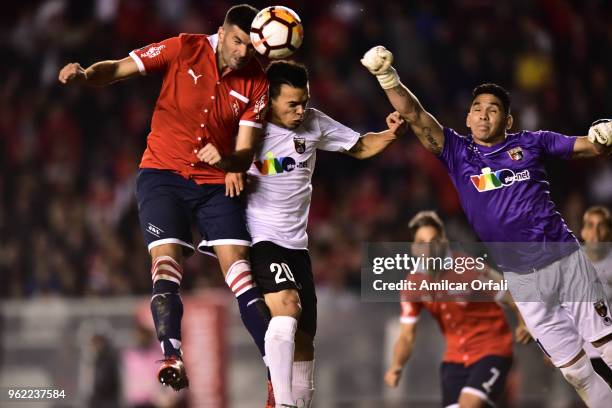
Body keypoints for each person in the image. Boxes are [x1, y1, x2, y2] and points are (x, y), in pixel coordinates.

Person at [361, 45, 612, 407]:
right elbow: (414, 115)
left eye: (493, 109)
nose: (483, 115)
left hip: (563, 257)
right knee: (574, 370)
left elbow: (588, 146)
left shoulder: (532, 143)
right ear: (467, 119)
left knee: (605, 345)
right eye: (477, 109)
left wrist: (603, 138)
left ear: (508, 121)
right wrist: (387, 77)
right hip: (520, 277)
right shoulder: (458, 154)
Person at [58, 4, 271, 391]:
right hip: (163, 174)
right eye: (238, 41)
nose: (243, 52)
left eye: (251, 46)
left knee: (240, 271)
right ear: (222, 33)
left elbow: (244, 149)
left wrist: (230, 163)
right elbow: (121, 67)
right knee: (166, 260)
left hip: (214, 182)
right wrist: (87, 75)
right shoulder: (183, 48)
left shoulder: (257, 81)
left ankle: (275, 364)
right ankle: (171, 353)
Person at [224, 60, 406, 407]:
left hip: (297, 246)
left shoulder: (313, 122)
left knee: (305, 341)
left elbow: (360, 146)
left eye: (304, 101)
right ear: (270, 100)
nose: (300, 110)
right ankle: (281, 402)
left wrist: (390, 135)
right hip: (262, 239)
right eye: (291, 103)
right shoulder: (250, 130)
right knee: (287, 309)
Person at [384, 211, 531, 408]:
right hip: (454, 359)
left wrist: (524, 323)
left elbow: (510, 294)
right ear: (413, 248)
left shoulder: (468, 269)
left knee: (469, 404)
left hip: (492, 350)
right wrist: (396, 366)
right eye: (421, 242)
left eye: (434, 241)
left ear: (443, 241)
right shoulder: (413, 285)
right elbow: (406, 336)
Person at [582, 206, 612, 385]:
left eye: (601, 226)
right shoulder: (569, 263)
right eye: (590, 225)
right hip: (580, 351)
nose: (595, 232)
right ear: (583, 231)